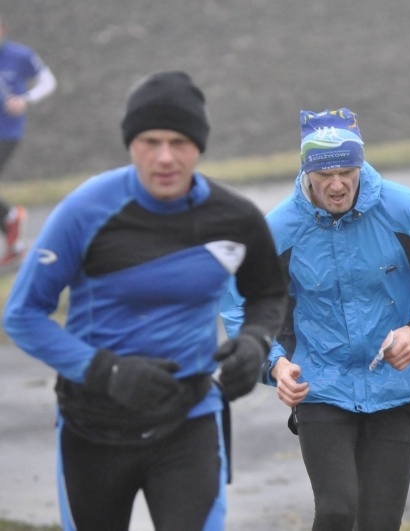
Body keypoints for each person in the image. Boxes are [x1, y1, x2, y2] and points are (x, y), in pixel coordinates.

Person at [2, 70, 287, 531]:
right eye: (150, 141)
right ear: (130, 143)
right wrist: (106, 371)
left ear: (200, 145)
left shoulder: (234, 217)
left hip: (189, 418)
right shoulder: (86, 210)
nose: (165, 157)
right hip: (92, 425)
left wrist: (254, 341)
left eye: (179, 141)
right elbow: (22, 315)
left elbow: (268, 292)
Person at [220, 108, 410, 531]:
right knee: (338, 510)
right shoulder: (277, 229)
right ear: (306, 171)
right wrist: (276, 364)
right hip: (320, 384)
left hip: (397, 384)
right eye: (325, 175)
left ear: (360, 164)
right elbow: (245, 306)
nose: (337, 185)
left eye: (346, 171)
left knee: (379, 523)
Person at [0, 13, 57, 264]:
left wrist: (26, 99)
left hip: (6, 132)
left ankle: (10, 218)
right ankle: (14, 240)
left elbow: (48, 81)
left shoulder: (20, 55)